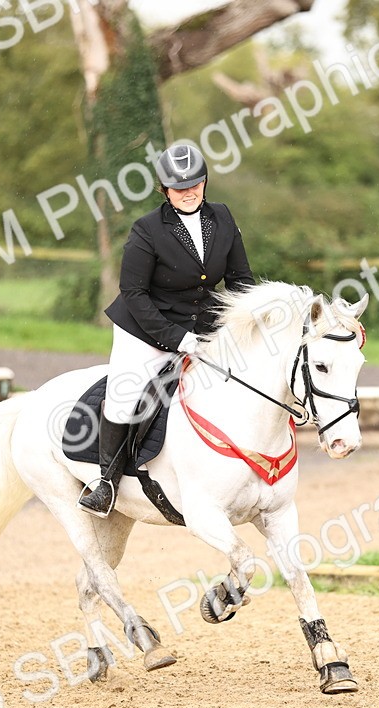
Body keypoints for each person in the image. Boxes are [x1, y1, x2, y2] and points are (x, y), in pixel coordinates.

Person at [78, 143, 255, 517]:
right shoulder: (147, 229)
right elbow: (134, 293)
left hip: (203, 322)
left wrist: (247, 326)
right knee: (125, 393)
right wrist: (175, 339)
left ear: (205, 182)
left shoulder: (222, 218)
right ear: (164, 190)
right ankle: (106, 483)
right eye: (179, 187)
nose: (188, 192)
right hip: (145, 325)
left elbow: (241, 282)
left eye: (195, 183)